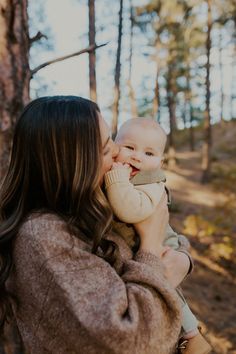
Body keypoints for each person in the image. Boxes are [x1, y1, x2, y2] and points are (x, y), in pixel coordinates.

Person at [0, 96, 190, 354]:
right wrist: (151, 247)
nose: (116, 151)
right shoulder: (44, 236)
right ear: (70, 164)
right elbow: (136, 341)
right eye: (103, 149)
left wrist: (184, 259)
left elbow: (161, 233)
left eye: (111, 138)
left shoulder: (91, 205)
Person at [104, 117, 212, 354]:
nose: (137, 157)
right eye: (129, 147)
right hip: (143, 245)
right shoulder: (121, 173)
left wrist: (116, 179)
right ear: (114, 145)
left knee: (168, 289)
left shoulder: (151, 182)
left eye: (149, 153)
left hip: (163, 243)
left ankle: (192, 335)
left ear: (160, 162)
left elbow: (130, 209)